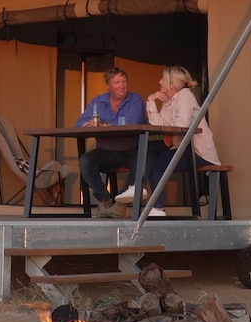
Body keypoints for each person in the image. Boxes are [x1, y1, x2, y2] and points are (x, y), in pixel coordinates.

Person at [114, 65, 220, 217]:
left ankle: (148, 198)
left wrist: (168, 131)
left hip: (198, 151)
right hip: (181, 147)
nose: (159, 82)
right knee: (150, 151)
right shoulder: (169, 100)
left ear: (171, 83)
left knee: (155, 162)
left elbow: (181, 125)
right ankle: (140, 190)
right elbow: (158, 124)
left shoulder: (185, 96)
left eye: (163, 79)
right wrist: (150, 101)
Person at [76, 66, 146, 218]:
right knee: (85, 161)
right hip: (104, 151)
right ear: (108, 86)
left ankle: (121, 204)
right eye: (117, 82)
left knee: (142, 161)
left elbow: (132, 122)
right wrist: (85, 124)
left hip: (129, 150)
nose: (122, 85)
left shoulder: (136, 100)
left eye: (124, 81)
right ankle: (105, 200)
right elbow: (80, 121)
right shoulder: (98, 101)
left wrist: (106, 125)